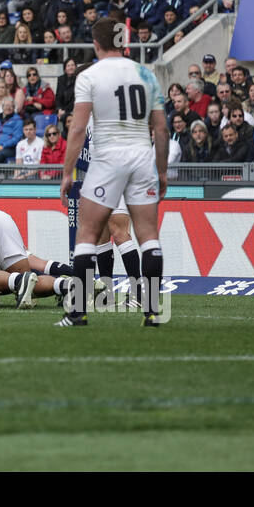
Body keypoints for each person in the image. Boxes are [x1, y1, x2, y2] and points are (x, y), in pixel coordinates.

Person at [59, 17, 168, 326]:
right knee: (148, 237)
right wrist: (161, 170)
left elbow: (78, 128)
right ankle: (151, 310)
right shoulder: (146, 74)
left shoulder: (91, 77)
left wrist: (67, 173)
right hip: (142, 158)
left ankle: (78, 312)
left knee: (88, 234)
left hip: (109, 162)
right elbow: (161, 128)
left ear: (96, 44)